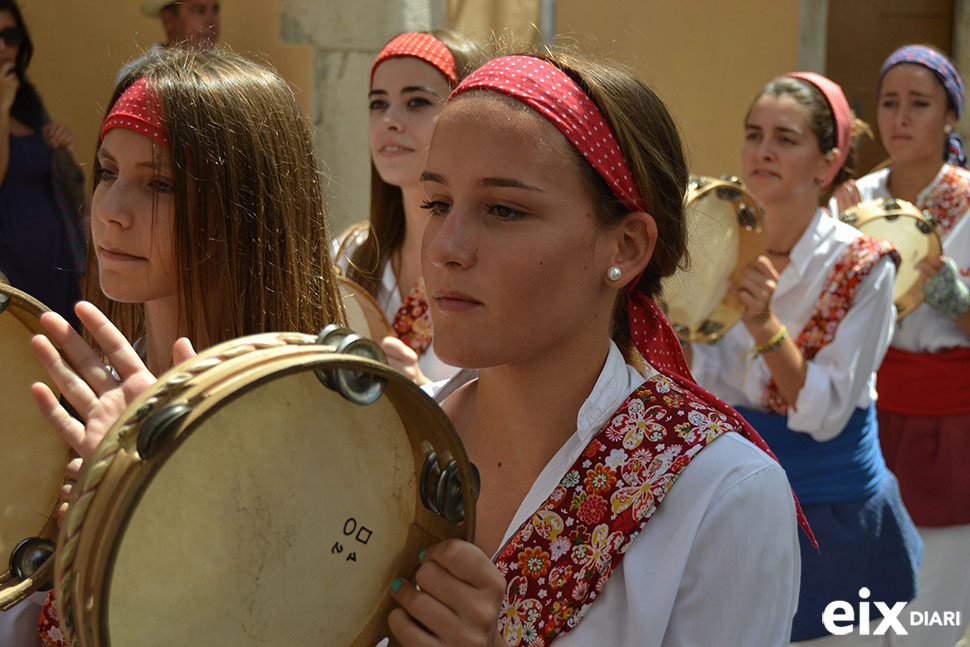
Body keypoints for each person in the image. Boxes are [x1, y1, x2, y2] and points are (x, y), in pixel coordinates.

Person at [383, 51, 806, 647]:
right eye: (437, 204)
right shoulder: (385, 445)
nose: (446, 248)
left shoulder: (719, 495)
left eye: (504, 209)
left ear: (626, 246)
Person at [26, 46, 343, 645]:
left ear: (249, 211)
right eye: (108, 172)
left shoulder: (323, 430)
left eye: (160, 184)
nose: (112, 211)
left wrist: (167, 501)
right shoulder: (79, 391)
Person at [687, 72, 922, 645]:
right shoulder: (709, 240)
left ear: (828, 161)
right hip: (726, 503)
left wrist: (763, 323)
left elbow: (827, 413)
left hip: (830, 517)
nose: (762, 150)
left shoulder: (863, 267)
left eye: (785, 139)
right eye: (753, 134)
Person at [852, 45, 970, 647]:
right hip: (866, 413)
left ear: (950, 115)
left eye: (919, 104)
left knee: (932, 603)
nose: (901, 117)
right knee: (860, 608)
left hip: (951, 421)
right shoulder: (857, 201)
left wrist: (954, 297)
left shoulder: (969, 202)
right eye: (890, 102)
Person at [334, 31, 483, 384]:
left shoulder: (496, 261)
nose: (390, 120)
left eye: (416, 102)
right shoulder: (348, 255)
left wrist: (420, 392)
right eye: (378, 103)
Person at [0, 0, 85, 324]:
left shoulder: (27, 101)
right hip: (10, 272)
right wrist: (1, 103)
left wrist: (60, 144)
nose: (3, 46)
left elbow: (52, 175)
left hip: (56, 261)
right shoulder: (7, 98)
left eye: (11, 34)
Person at [116, 0, 221, 83]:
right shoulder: (136, 75)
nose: (211, 21)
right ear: (168, 19)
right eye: (199, 10)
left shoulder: (225, 73)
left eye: (215, 10)